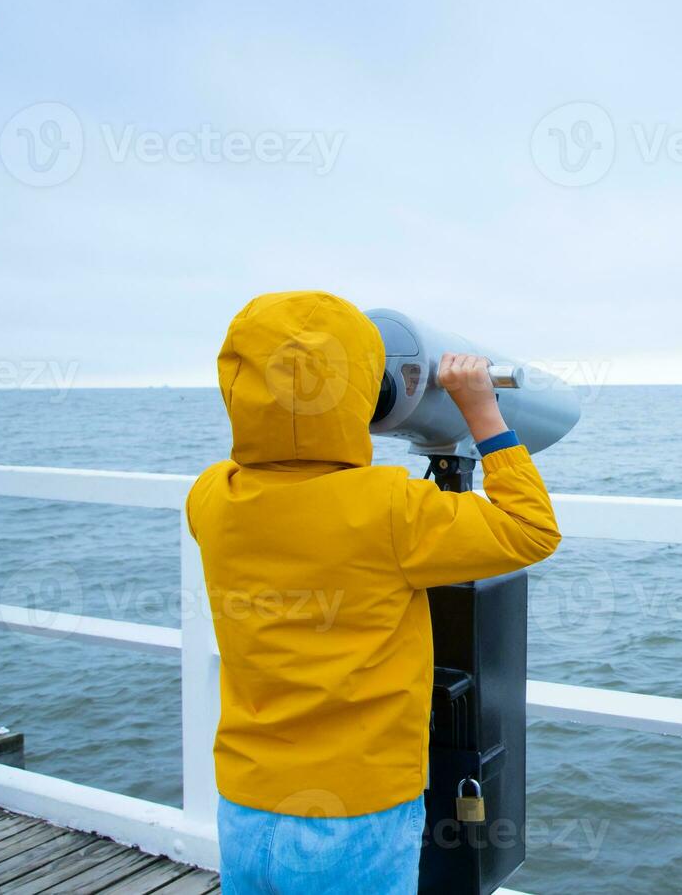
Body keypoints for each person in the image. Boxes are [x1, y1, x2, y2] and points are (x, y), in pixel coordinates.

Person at [185, 291, 561, 894]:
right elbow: (533, 529)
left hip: (246, 800)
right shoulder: (392, 511)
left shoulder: (211, 495)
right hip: (356, 812)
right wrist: (482, 413)